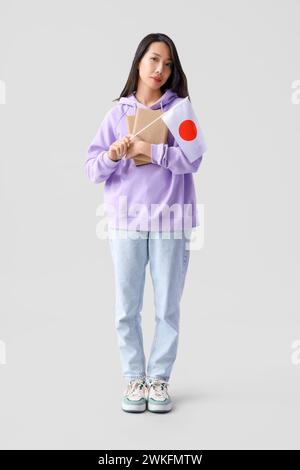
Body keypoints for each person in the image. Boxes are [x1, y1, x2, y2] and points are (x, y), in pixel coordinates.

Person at [85, 33, 206, 413]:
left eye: (168, 64)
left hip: (172, 219)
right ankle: (134, 376)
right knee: (127, 306)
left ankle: (159, 379)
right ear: (139, 61)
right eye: (154, 59)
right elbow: (92, 170)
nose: (160, 69)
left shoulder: (180, 112)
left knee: (168, 306)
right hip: (125, 221)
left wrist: (149, 149)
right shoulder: (117, 114)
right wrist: (112, 154)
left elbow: (194, 160)